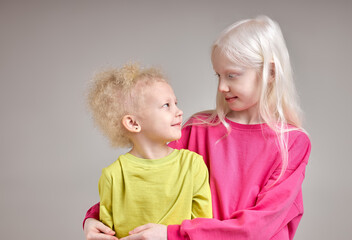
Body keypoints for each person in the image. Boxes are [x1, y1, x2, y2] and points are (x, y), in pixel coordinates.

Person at [83, 15, 311, 240]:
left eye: (232, 75)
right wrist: (94, 218)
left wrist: (173, 235)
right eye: (218, 75)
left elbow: (260, 225)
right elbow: (143, 177)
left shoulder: (292, 143)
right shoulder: (199, 128)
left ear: (270, 73)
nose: (222, 87)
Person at [86, 63, 212, 238]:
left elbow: (203, 230)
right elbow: (107, 235)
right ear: (133, 123)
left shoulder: (193, 165)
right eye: (166, 105)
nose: (179, 111)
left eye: (176, 103)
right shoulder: (113, 175)